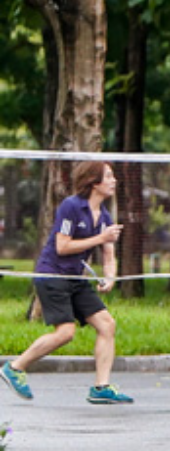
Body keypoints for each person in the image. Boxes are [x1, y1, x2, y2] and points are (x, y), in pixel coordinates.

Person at [1, 161, 132, 404]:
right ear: (94, 182)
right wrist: (99, 237)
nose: (114, 181)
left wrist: (109, 277)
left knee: (106, 325)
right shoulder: (71, 207)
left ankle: (101, 387)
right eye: (109, 176)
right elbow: (62, 246)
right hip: (53, 275)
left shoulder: (104, 215)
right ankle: (15, 367)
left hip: (76, 278)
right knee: (66, 333)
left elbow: (108, 254)